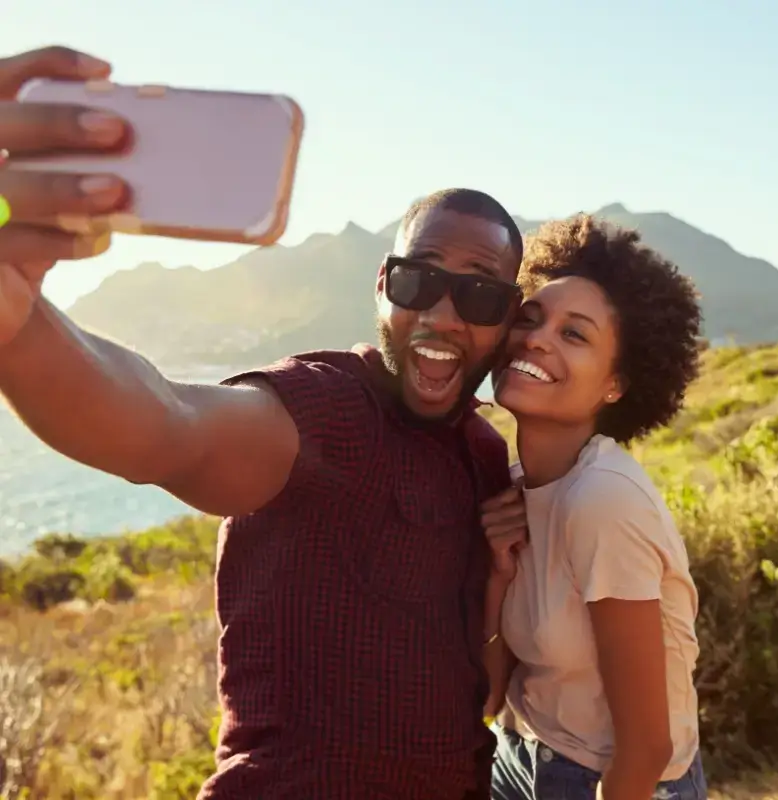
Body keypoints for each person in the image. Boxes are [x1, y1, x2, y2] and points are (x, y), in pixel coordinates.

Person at [0, 46, 524, 799]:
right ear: (383, 287)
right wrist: (18, 331)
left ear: (508, 320)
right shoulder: (326, 408)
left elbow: (479, 688)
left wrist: (505, 575)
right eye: (420, 281)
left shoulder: (481, 452)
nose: (441, 316)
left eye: (478, 298)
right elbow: (167, 424)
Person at [479, 215, 708, 800]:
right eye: (530, 319)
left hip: (603, 782)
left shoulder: (603, 500)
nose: (537, 339)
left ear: (616, 385)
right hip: (518, 758)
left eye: (574, 335)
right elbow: (488, 699)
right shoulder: (513, 488)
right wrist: (498, 576)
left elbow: (646, 749)